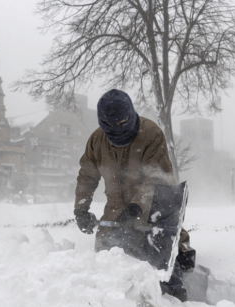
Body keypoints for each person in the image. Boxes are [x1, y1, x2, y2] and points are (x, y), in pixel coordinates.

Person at [72, 89, 191, 301]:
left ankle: (174, 292)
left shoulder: (150, 134)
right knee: (108, 266)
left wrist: (137, 207)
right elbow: (87, 177)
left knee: (162, 267)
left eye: (122, 129)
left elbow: (159, 178)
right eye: (112, 131)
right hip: (115, 214)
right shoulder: (97, 140)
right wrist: (81, 209)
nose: (118, 136)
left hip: (151, 211)